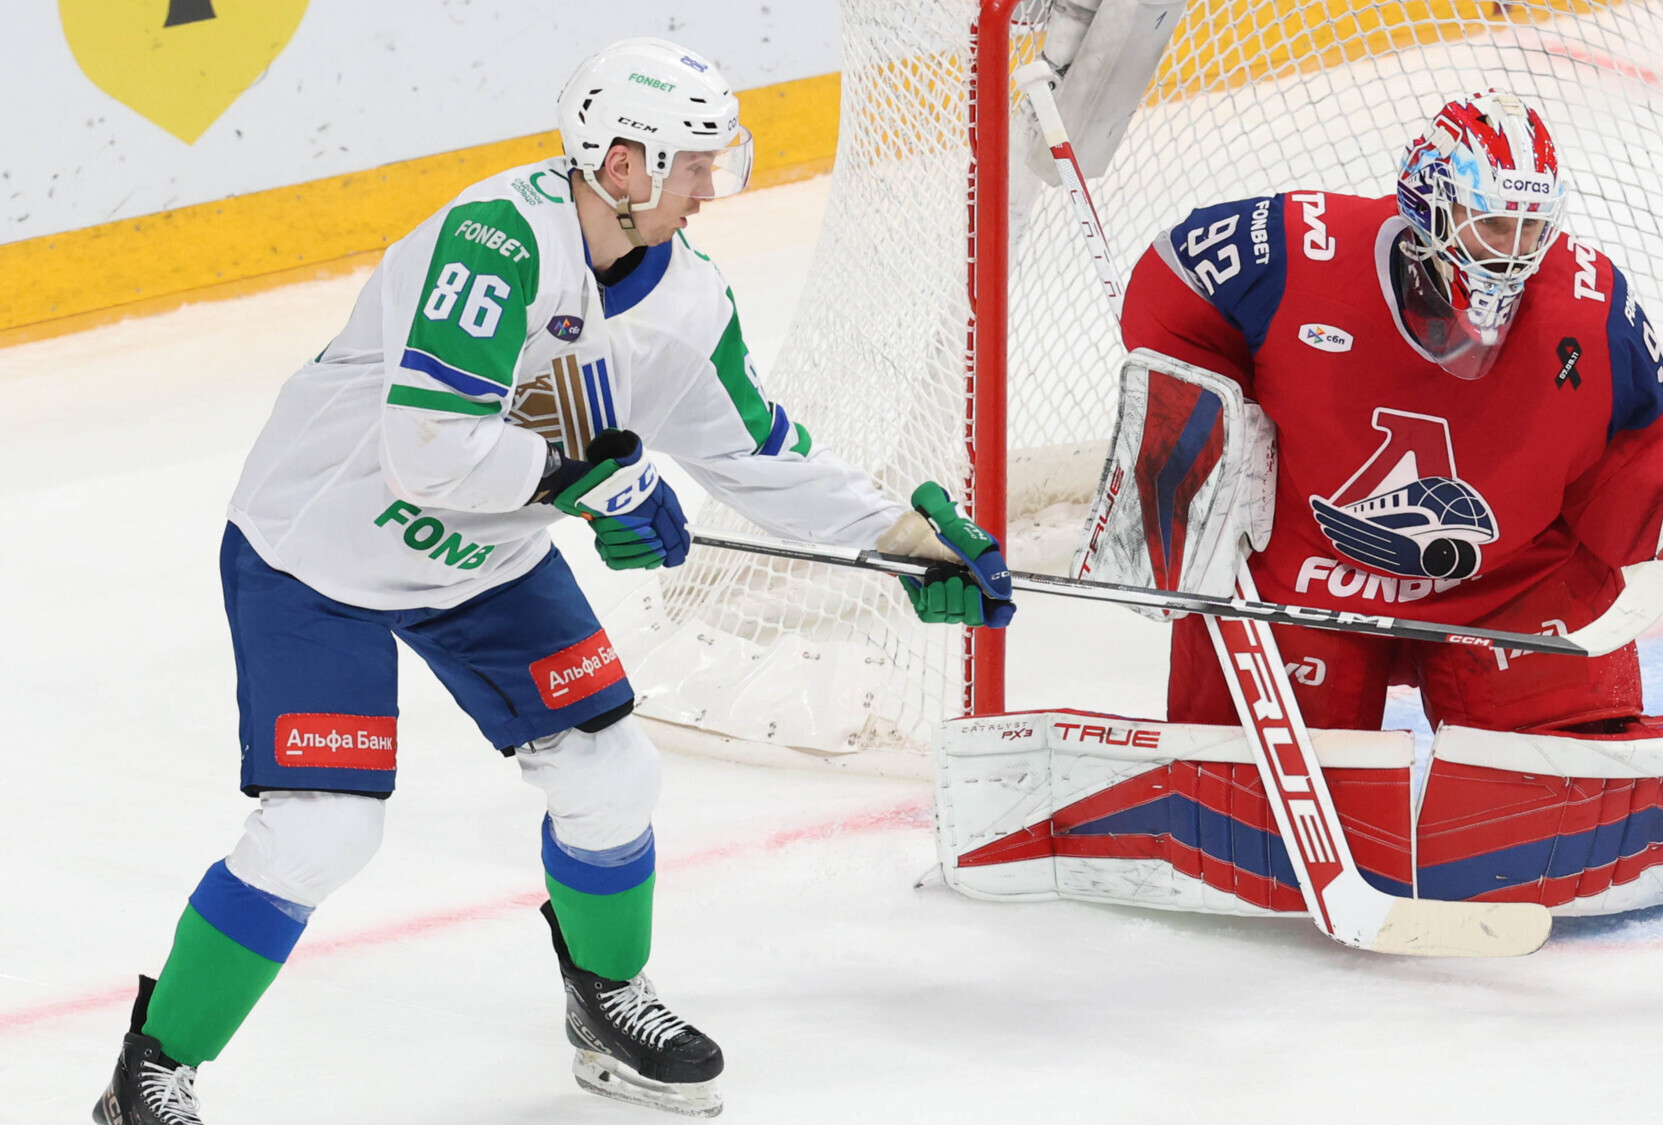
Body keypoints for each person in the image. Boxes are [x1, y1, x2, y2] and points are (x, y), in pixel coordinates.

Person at [93, 38, 1012, 1125]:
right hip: (320, 553)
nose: (709, 188)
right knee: (322, 831)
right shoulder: (495, 242)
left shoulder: (688, 301)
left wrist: (897, 537)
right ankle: (151, 1072)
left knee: (611, 773)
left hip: (484, 563)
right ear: (622, 166)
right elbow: (428, 451)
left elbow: (754, 452)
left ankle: (605, 1000)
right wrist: (599, 485)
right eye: (691, 165)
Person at [1121, 88, 1663, 735]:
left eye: (1531, 226)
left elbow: (1644, 457)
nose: (1514, 251)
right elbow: (1172, 282)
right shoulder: (1298, 247)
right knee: (1241, 782)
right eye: (1493, 223)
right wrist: (1201, 422)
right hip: (1305, 576)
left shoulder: (1592, 305)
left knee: (1563, 779)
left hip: (1513, 584)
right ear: (1431, 205)